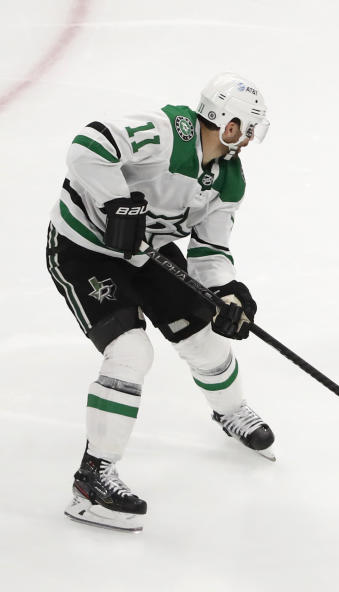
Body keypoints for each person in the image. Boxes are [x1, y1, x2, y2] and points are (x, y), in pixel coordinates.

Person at [46, 72, 274, 532]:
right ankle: (91, 482)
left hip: (147, 250)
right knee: (131, 352)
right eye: (245, 128)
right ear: (225, 123)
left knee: (206, 339)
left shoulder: (227, 180)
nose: (248, 139)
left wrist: (228, 293)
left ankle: (230, 411)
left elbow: (210, 252)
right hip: (85, 248)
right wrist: (116, 204)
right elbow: (87, 147)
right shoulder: (166, 133)